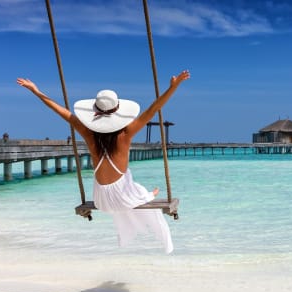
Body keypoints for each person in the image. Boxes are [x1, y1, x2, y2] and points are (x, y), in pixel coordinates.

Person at [17, 70, 190, 253]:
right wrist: (173, 87)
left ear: (96, 112)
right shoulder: (126, 134)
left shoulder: (89, 135)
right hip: (123, 198)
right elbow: (153, 109)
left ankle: (147, 194)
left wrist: (36, 91)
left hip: (102, 201)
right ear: (118, 112)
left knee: (129, 182)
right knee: (136, 187)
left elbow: (62, 112)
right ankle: (148, 195)